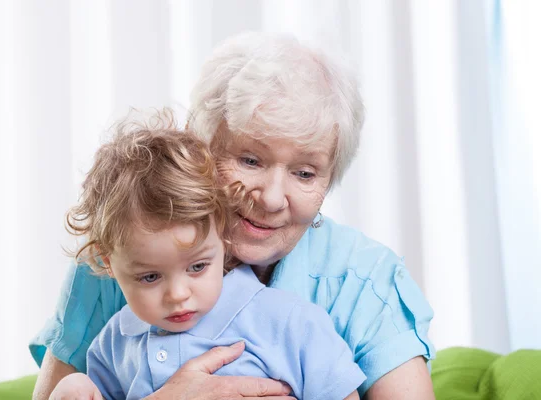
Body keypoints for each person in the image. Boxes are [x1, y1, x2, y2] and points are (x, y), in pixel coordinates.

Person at [32, 32, 436, 400]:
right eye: (249, 159)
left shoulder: (363, 279)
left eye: (305, 173)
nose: (273, 198)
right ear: (198, 146)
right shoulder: (116, 254)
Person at [47, 110, 365, 399]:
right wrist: (76, 388)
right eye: (150, 276)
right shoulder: (115, 342)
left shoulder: (289, 322)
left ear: (224, 238)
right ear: (107, 263)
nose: (178, 294)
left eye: (198, 266)